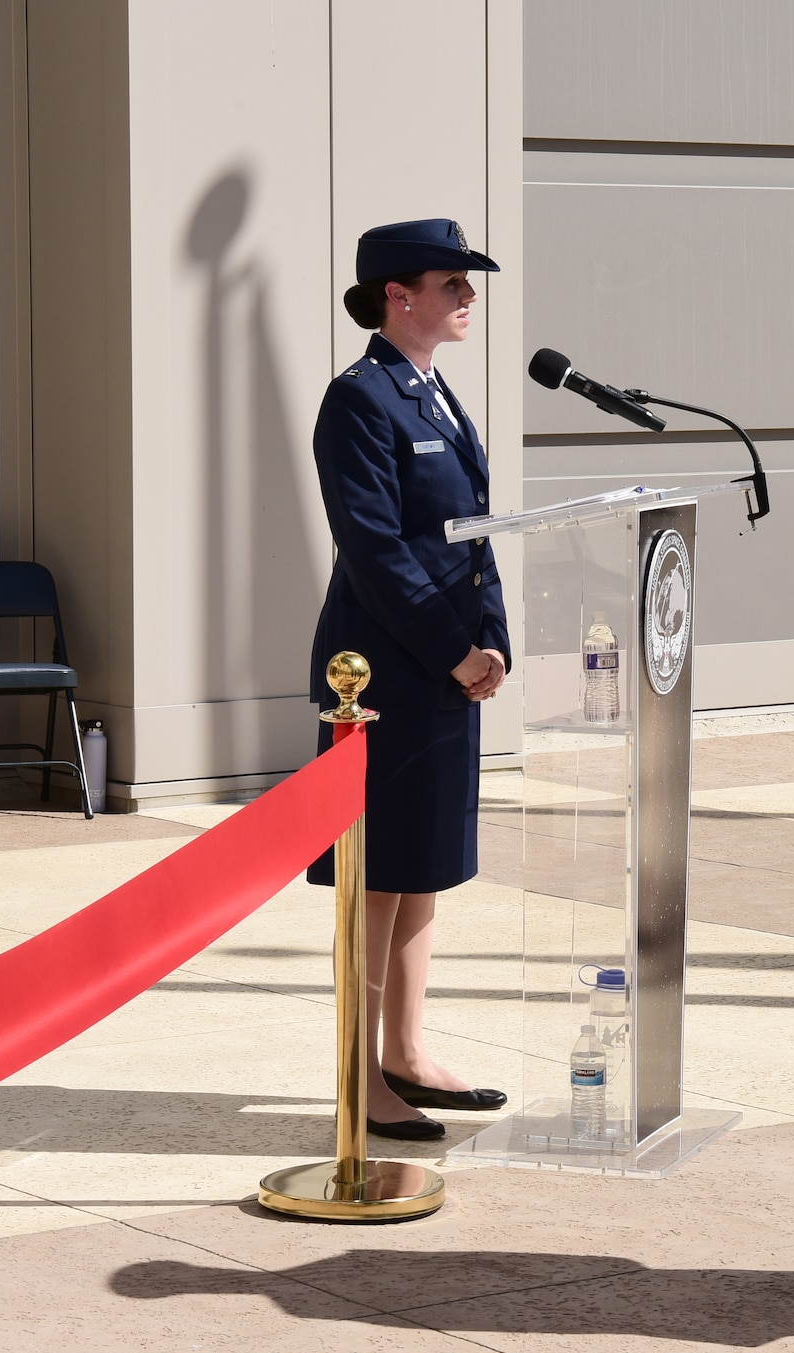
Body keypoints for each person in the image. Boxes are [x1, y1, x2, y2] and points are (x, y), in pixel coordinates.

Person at [307, 218, 511, 1141]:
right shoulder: (361, 399)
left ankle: (406, 1051)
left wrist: (493, 636)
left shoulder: (436, 396)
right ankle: (360, 1074)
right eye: (452, 283)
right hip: (383, 673)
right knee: (376, 877)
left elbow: (472, 533)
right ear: (399, 293)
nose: (467, 297)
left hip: (445, 669)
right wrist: (450, 648)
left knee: (422, 867)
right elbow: (376, 550)